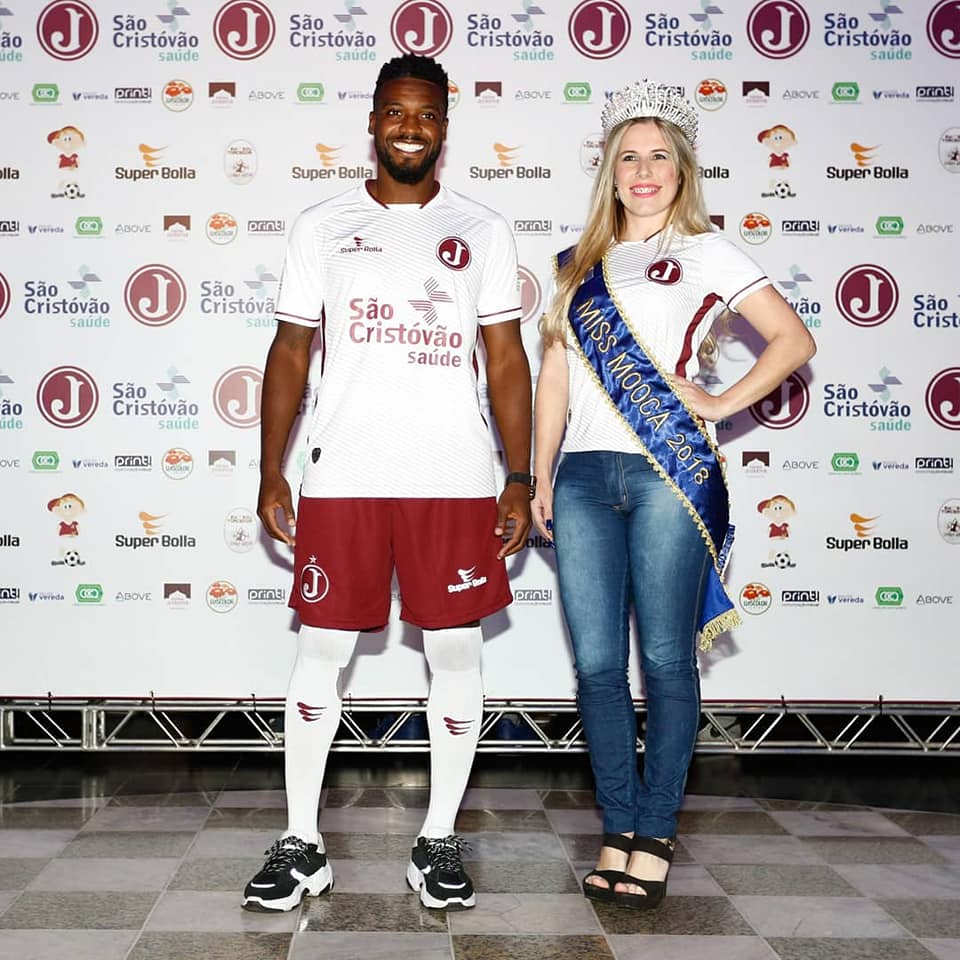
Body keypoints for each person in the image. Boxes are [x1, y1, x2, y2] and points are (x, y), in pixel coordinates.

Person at [242, 53, 533, 913]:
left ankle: (437, 838)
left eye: (427, 114)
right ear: (372, 122)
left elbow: (506, 359)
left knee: (456, 654)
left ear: (445, 126)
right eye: (397, 113)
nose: (412, 129)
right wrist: (270, 469)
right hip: (344, 475)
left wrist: (518, 476)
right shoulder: (321, 225)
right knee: (320, 655)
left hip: (454, 477)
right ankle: (301, 843)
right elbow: (290, 350)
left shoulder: (483, 228)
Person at [531, 81, 816, 910]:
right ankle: (617, 825)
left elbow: (794, 339)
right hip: (583, 477)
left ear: (682, 169)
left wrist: (721, 403)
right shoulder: (576, 266)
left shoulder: (708, 251)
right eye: (629, 157)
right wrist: (539, 471)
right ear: (610, 172)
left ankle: (655, 833)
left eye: (659, 155)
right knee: (595, 665)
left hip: (667, 475)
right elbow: (556, 376)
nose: (644, 170)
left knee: (663, 660)